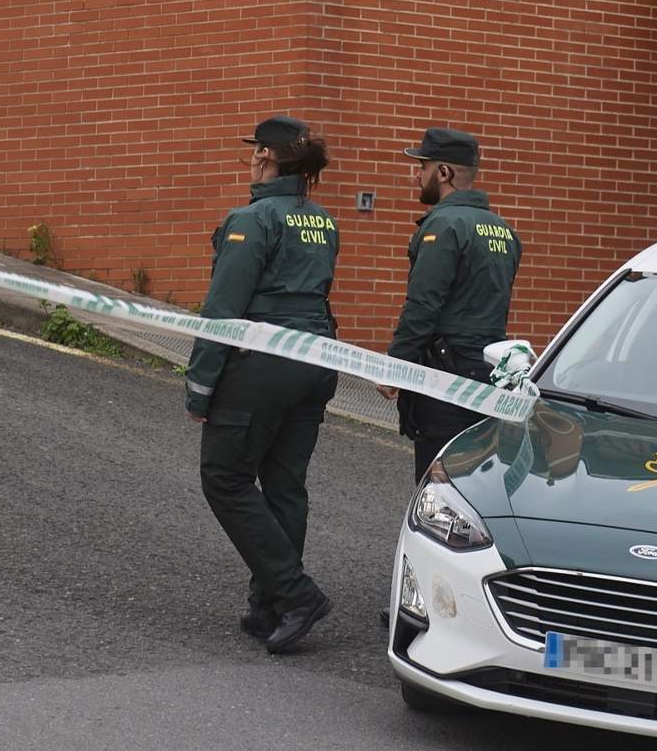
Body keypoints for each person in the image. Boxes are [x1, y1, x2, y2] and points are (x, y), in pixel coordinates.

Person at [186, 115, 341, 655]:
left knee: (224, 478)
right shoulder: (324, 221)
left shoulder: (250, 220)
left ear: (264, 157)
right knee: (284, 483)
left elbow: (223, 311)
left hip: (263, 364)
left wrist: (200, 386)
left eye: (255, 151)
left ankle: (298, 596)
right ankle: (269, 604)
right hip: (317, 361)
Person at [378, 127, 522, 483]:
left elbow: (422, 305)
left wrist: (396, 366)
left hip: (444, 376)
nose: (416, 174)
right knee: (474, 481)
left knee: (437, 485)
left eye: (423, 166)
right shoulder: (504, 230)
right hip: (488, 371)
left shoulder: (443, 225)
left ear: (444, 173)